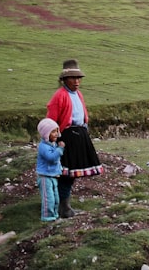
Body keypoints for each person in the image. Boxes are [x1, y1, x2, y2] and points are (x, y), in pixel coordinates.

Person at [46, 59, 104, 217]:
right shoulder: (59, 97)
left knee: (71, 174)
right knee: (65, 174)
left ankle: (64, 205)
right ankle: (62, 207)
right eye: (72, 78)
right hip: (67, 137)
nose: (76, 81)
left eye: (78, 78)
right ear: (64, 80)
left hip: (79, 136)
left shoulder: (78, 94)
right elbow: (51, 121)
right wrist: (53, 140)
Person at [36, 118, 65, 222]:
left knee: (56, 197)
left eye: (57, 130)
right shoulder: (43, 146)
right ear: (45, 134)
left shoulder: (52, 144)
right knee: (49, 198)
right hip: (45, 176)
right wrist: (60, 149)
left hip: (53, 175)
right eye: (53, 131)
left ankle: (55, 215)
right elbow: (51, 158)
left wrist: (60, 169)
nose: (56, 134)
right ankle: (47, 217)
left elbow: (57, 161)